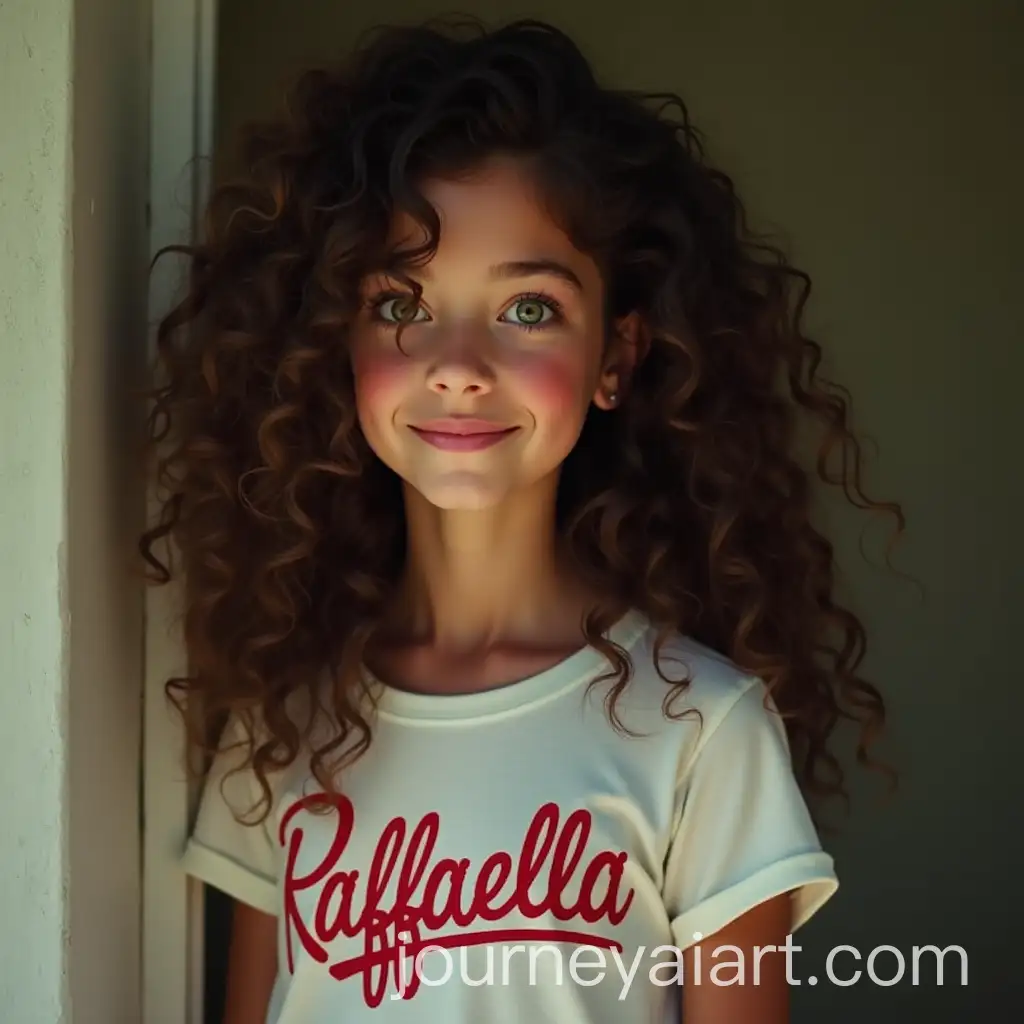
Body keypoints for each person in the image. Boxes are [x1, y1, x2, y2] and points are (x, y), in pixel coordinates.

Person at [141, 17, 902, 1024]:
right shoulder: (283, 726)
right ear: (336, 342)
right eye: (402, 303)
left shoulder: (700, 730)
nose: (457, 361)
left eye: (528, 308)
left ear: (615, 357)